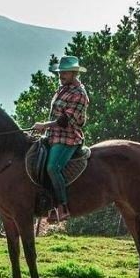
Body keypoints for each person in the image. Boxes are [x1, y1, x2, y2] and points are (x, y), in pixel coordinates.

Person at [32, 56, 90, 223]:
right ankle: (46, 204)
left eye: (65, 72)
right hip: (52, 136)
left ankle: (62, 207)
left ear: (74, 73)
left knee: (52, 168)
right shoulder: (63, 88)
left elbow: (65, 121)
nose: (61, 75)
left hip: (68, 139)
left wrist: (44, 125)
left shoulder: (79, 94)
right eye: (60, 72)